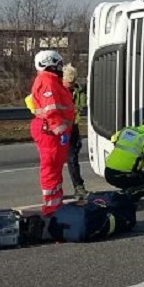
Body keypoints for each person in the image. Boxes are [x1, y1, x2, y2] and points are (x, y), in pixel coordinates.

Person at [29, 50, 76, 216]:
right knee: (51, 170)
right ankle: (51, 209)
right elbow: (51, 110)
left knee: (55, 170)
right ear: (50, 63)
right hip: (51, 134)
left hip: (52, 133)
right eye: (58, 64)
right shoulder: (48, 82)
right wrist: (60, 130)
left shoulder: (52, 81)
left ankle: (55, 205)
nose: (60, 67)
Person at [104, 115, 144, 199]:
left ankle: (126, 193)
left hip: (108, 172)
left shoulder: (126, 130)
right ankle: (126, 197)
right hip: (121, 175)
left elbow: (113, 139)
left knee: (140, 174)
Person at [62, 64, 88, 200]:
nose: (71, 85)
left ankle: (79, 187)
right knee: (56, 160)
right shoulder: (57, 89)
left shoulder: (78, 91)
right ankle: (55, 189)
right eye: (68, 82)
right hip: (58, 128)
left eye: (73, 82)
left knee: (72, 158)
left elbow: (79, 108)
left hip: (72, 127)